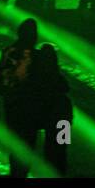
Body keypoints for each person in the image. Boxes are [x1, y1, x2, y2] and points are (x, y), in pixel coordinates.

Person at [0, 18, 41, 177]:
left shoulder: (8, 51)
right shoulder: (36, 56)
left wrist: (6, 93)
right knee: (28, 141)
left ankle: (16, 172)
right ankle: (21, 172)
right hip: (29, 105)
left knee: (16, 140)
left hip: (12, 103)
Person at [33, 45, 73, 175]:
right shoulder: (56, 76)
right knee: (61, 149)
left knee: (50, 149)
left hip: (52, 117)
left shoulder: (37, 77)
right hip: (64, 116)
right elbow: (65, 88)